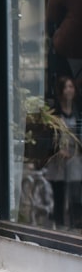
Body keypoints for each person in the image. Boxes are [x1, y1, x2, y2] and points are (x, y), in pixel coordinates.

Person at [44, 75, 82, 228]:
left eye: (71, 86)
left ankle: (76, 223)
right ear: (61, 90)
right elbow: (48, 134)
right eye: (66, 87)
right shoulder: (56, 111)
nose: (69, 90)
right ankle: (59, 225)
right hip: (59, 159)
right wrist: (58, 149)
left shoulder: (77, 110)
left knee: (75, 192)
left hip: (74, 157)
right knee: (58, 193)